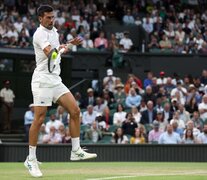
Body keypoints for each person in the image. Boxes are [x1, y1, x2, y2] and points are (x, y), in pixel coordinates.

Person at [24, 5, 97, 178]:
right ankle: (31, 159)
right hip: (42, 81)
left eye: (52, 17)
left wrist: (69, 45)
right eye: (48, 17)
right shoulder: (39, 34)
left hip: (55, 80)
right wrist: (67, 46)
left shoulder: (54, 32)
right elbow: (52, 55)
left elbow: (58, 52)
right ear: (40, 18)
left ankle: (76, 150)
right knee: (39, 118)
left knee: (75, 111)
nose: (51, 20)